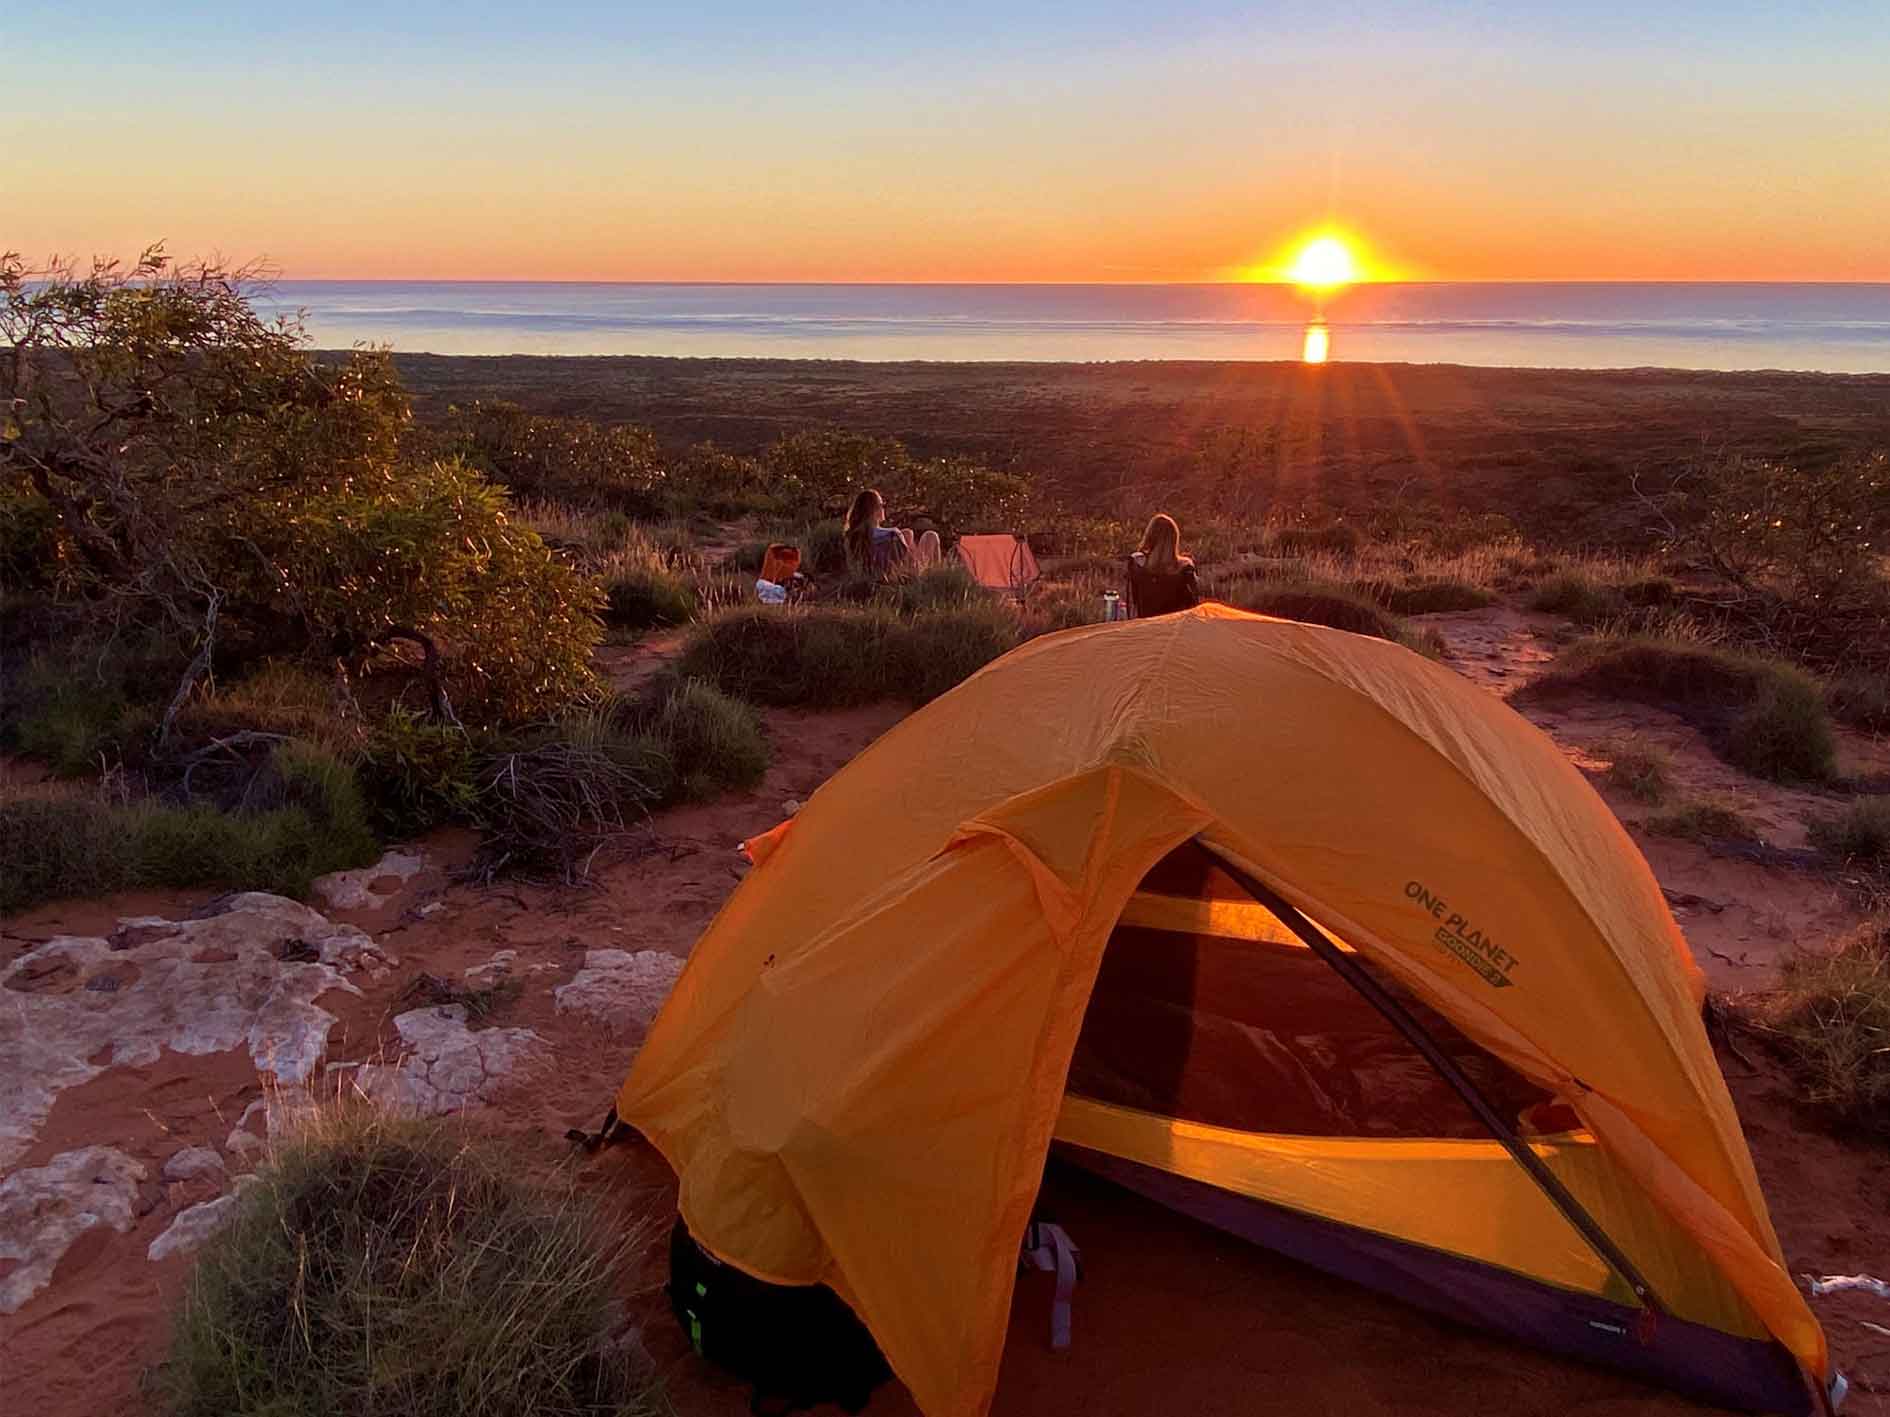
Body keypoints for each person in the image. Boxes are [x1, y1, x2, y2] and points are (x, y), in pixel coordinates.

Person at [843, 488, 941, 577]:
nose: (884, 508)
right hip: (901, 577)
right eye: (882, 505)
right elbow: (908, 561)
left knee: (907, 533)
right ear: (874, 510)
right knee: (930, 536)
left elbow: (853, 567)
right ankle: (937, 578)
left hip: (872, 576)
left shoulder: (851, 536)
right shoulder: (892, 534)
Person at [1125, 512, 1200, 617]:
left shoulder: (1137, 564)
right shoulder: (1186, 569)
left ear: (1150, 536)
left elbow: (1133, 602)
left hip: (1144, 626)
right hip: (1176, 628)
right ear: (1174, 538)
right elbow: (1194, 605)